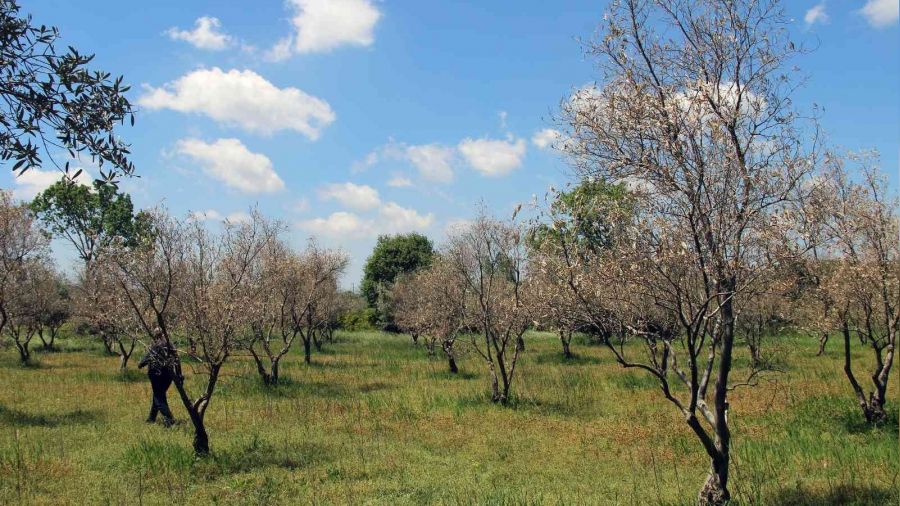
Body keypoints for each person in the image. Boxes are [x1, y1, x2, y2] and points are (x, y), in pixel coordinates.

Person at [138, 332, 176, 427]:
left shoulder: (157, 345)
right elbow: (177, 361)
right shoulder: (171, 345)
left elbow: (147, 358)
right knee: (159, 394)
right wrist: (179, 375)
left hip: (157, 375)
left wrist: (141, 363)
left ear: (156, 336)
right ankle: (151, 418)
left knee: (159, 397)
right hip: (168, 376)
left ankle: (169, 419)